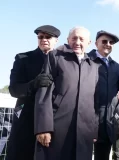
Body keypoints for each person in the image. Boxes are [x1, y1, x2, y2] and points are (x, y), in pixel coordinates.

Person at [34, 26, 98, 160]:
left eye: (81, 39)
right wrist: (43, 128)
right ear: (68, 40)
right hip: (57, 127)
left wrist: (93, 130)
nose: (78, 42)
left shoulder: (94, 66)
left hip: (84, 131)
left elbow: (94, 101)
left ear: (89, 43)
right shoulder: (55, 57)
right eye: (74, 38)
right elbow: (44, 92)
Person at [6, 25, 60, 160]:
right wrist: (33, 84)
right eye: (41, 37)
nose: (44, 40)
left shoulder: (63, 61)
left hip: (54, 121)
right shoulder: (23, 58)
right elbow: (14, 89)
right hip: (26, 119)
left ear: (56, 40)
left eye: (48, 37)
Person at [87, 30, 119, 160]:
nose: (108, 44)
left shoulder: (115, 66)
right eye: (104, 41)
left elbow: (118, 85)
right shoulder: (86, 60)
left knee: (103, 156)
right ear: (96, 43)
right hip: (86, 117)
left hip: (107, 120)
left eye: (111, 42)